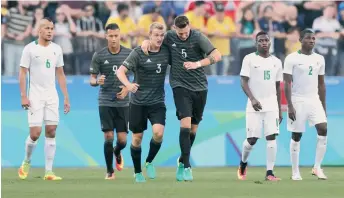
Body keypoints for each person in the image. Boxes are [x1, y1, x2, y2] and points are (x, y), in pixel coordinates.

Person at [141, 15, 222, 181]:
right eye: (180, 33)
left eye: (185, 33)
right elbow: (154, 39)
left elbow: (217, 55)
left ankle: (181, 160)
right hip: (179, 86)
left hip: (200, 87)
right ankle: (187, 166)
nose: (183, 36)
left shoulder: (198, 37)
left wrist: (197, 64)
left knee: (193, 129)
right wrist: (144, 42)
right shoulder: (169, 36)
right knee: (185, 124)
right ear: (174, 29)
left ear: (189, 27)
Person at [18, 18, 70, 180]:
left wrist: (66, 97)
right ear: (39, 30)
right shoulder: (29, 49)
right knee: (35, 133)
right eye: (46, 28)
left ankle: (49, 171)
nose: (50, 31)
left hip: (51, 95)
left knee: (51, 131)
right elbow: (22, 73)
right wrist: (24, 96)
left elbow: (60, 74)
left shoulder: (57, 49)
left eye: (52, 28)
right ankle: (26, 161)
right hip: (35, 95)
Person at [117, 22, 170, 183]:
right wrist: (128, 85)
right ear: (149, 36)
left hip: (157, 102)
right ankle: (137, 171)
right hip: (138, 103)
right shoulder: (138, 52)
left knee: (158, 133)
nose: (159, 38)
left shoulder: (167, 52)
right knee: (137, 138)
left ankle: (149, 161)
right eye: (156, 35)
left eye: (162, 35)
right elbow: (120, 71)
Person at [237, 31, 283, 181]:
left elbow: (277, 87)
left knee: (271, 137)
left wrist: (279, 109)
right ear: (256, 43)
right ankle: (243, 163)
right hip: (254, 106)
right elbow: (243, 82)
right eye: (260, 40)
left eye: (266, 40)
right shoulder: (249, 59)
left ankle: (270, 172)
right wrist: (252, 99)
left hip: (271, 106)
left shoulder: (276, 61)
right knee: (252, 140)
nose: (264, 43)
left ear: (270, 42)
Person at [284, 29, 328, 180]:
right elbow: (287, 83)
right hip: (297, 99)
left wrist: (323, 106)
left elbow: (321, 84)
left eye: (314, 38)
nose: (312, 41)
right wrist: (289, 105)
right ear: (301, 39)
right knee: (296, 135)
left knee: (323, 128)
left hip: (314, 99)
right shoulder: (291, 58)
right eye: (308, 38)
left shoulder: (320, 59)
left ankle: (317, 167)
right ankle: (295, 171)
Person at [89, 23, 131, 180]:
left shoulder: (129, 54)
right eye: (110, 36)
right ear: (106, 36)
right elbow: (92, 79)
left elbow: (138, 75)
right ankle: (109, 171)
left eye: (116, 36)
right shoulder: (99, 55)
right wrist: (96, 81)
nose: (113, 39)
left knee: (122, 140)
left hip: (123, 102)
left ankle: (117, 151)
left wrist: (127, 88)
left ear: (120, 35)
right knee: (108, 136)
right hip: (105, 101)